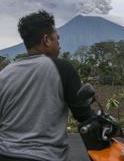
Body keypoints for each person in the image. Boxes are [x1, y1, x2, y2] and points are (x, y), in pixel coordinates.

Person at [0, 10, 93, 161]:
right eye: (57, 38)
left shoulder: (5, 73)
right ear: (46, 40)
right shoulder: (62, 68)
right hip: (45, 157)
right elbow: (83, 115)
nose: (59, 43)